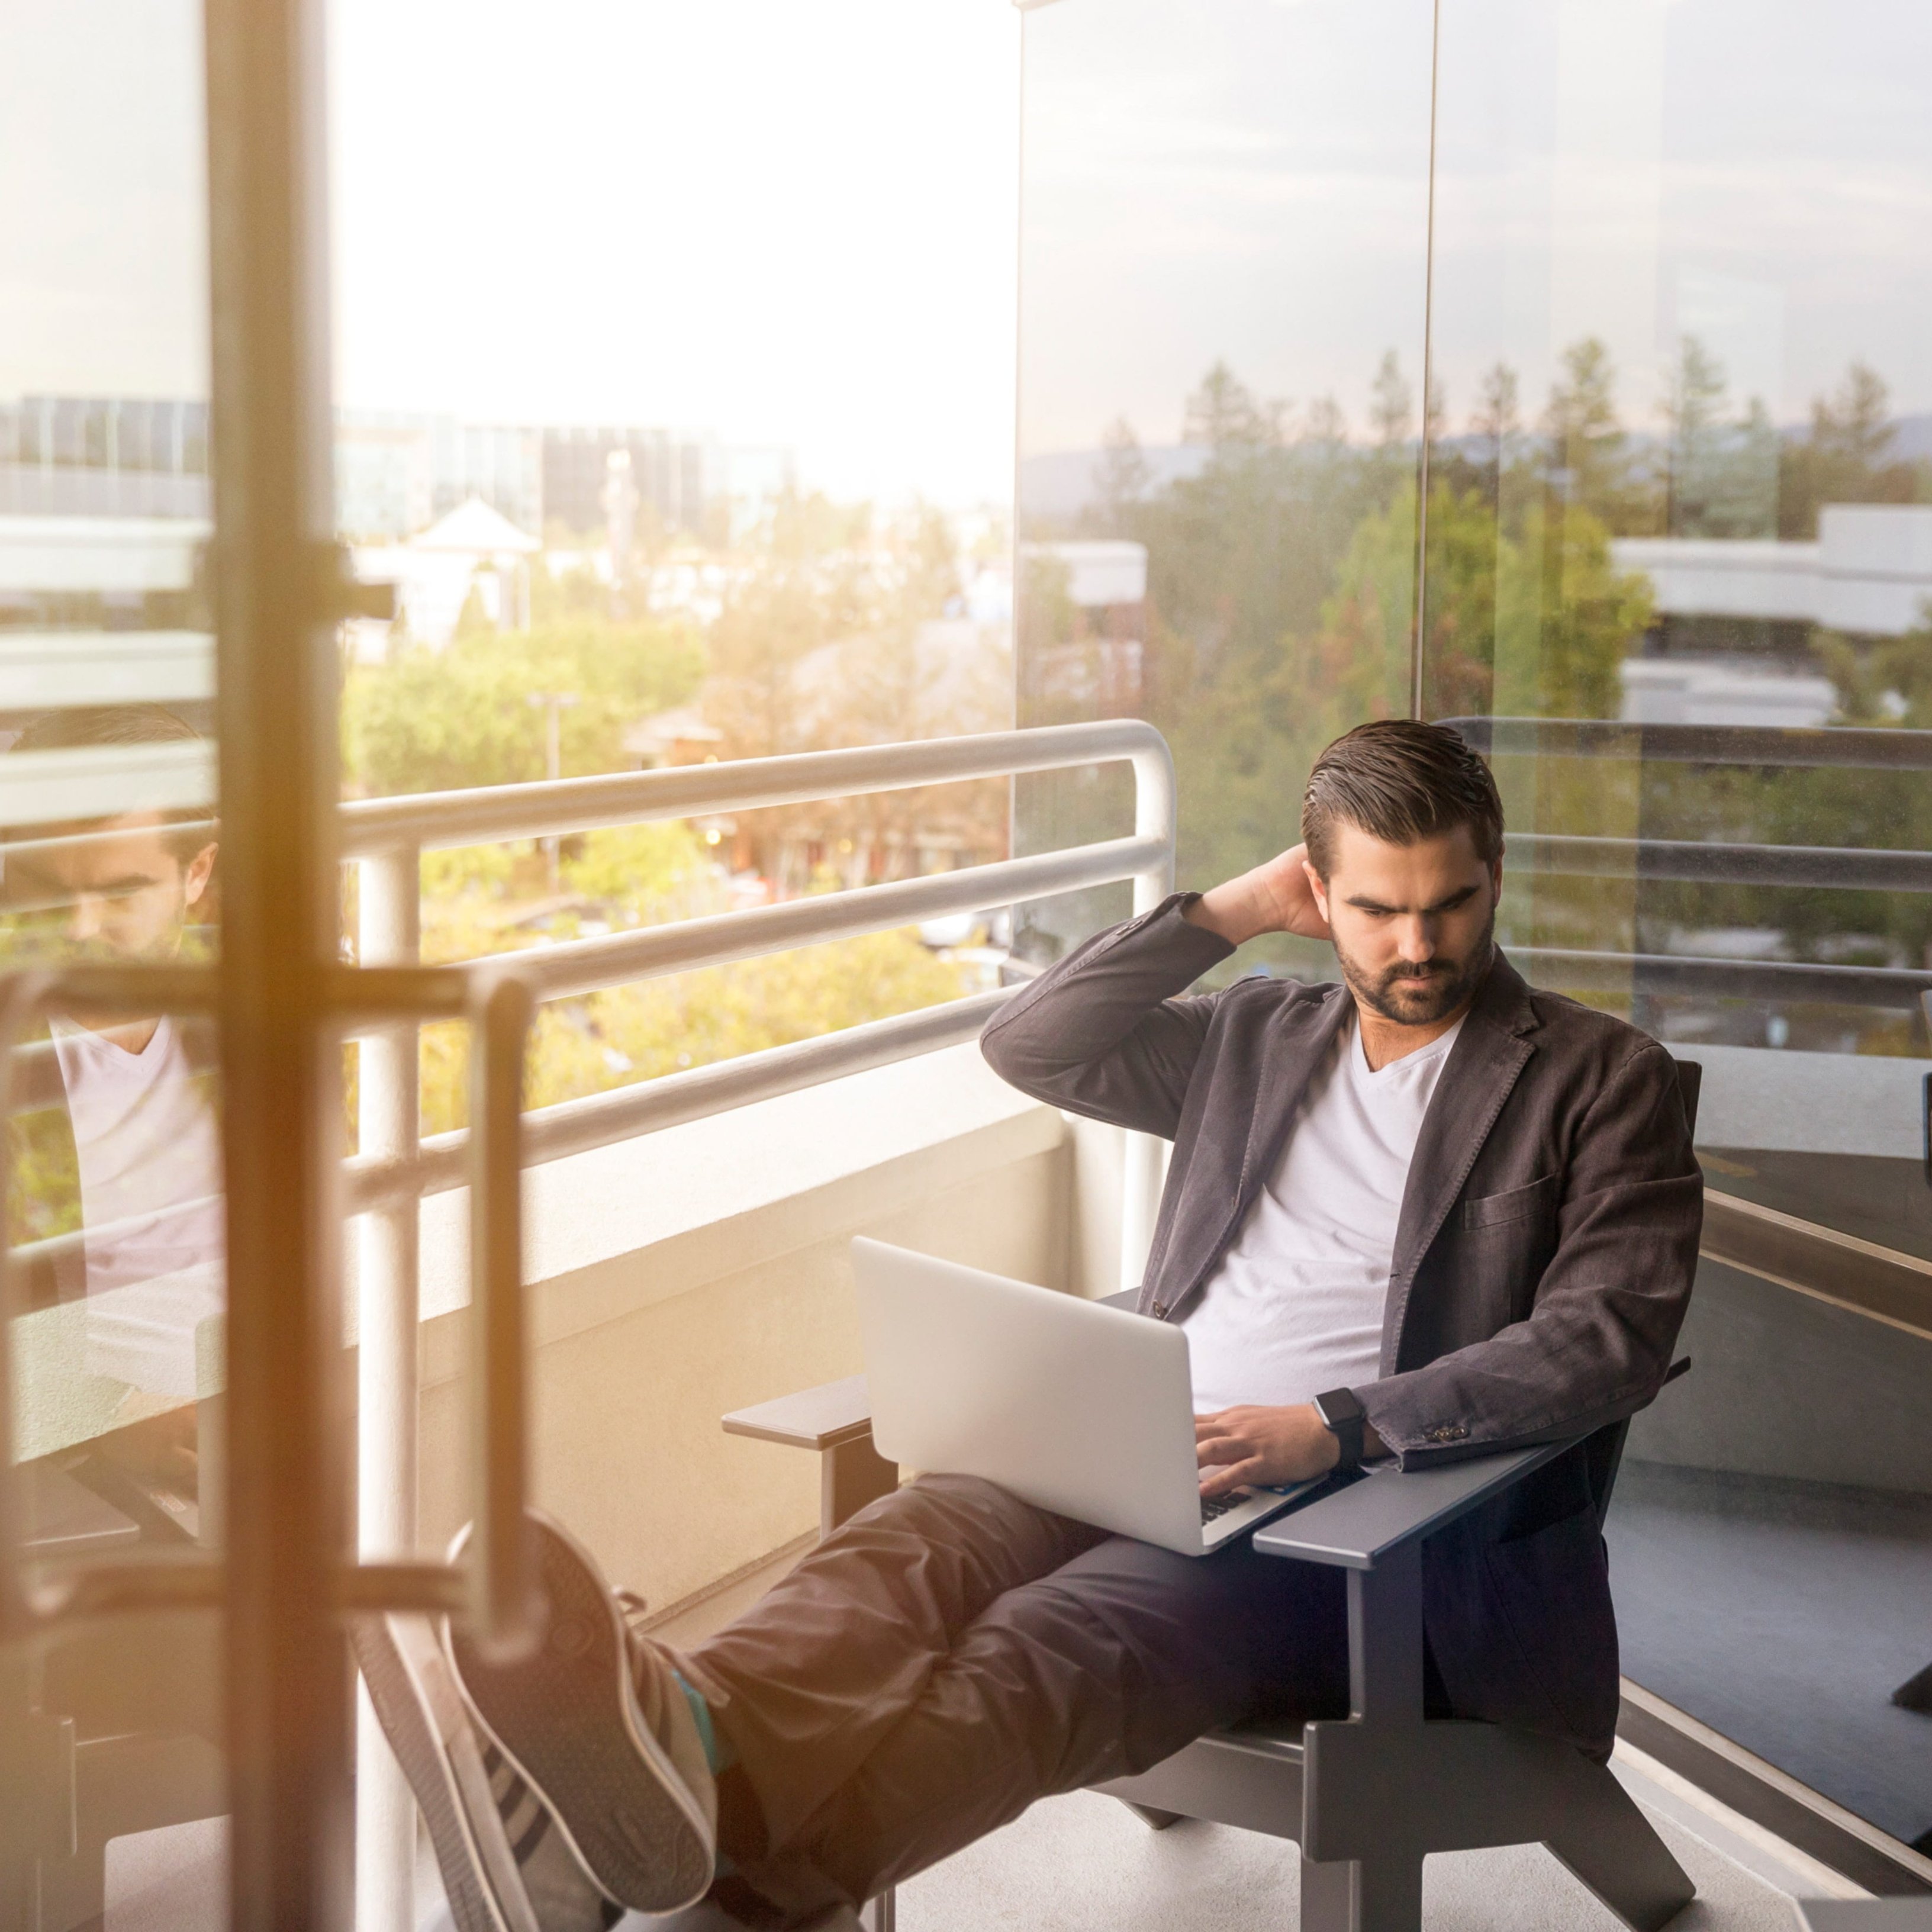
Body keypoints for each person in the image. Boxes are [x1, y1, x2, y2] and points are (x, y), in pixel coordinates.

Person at [359, 719, 1702, 1932]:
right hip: (1142, 1442)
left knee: (1045, 1649)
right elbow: (1035, 1045)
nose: (1420, 946)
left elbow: (1607, 1340)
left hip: (1354, 1530)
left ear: (1497, 877)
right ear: (1319, 896)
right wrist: (1226, 914)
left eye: (1453, 902)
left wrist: (1334, 1430)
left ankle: (691, 1863)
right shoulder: (1262, 1035)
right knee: (910, 1547)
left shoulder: (1598, 1081)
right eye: (1377, 909)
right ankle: (686, 1740)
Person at [3, 704, 222, 1527]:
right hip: (93, 1469)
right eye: (45, 893)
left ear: (195, 877)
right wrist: (106, 1422)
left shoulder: (241, 1023)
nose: (78, 930)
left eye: (120, 893)